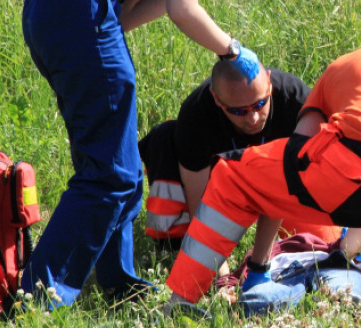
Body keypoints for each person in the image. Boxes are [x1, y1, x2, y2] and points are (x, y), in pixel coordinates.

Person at [20, 0, 277, 307]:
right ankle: (38, 298)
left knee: (117, 165)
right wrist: (233, 50)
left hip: (51, 8)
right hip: (80, 4)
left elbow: (127, 16)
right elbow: (183, 8)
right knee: (113, 175)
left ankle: (118, 285)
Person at [165, 8, 361, 313]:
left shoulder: (348, 62)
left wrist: (261, 251)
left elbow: (298, 150)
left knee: (234, 175)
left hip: (353, 167)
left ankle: (183, 299)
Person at [138, 58, 340, 250]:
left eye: (259, 105)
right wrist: (218, 268)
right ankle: (173, 240)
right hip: (218, 179)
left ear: (269, 85)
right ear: (217, 99)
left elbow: (323, 171)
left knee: (320, 246)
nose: (252, 118)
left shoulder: (296, 101)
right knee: (163, 138)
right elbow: (197, 199)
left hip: (283, 180)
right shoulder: (196, 114)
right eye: (238, 111)